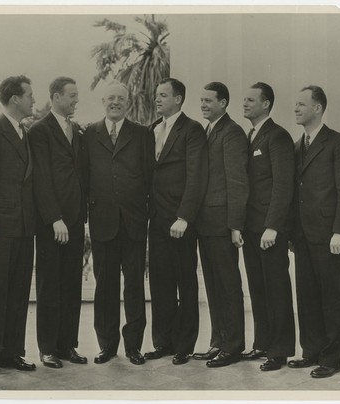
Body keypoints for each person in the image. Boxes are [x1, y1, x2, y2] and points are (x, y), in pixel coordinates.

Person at [289, 85, 340, 378]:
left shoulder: (338, 143)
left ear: (317, 108)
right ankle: (312, 351)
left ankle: (331, 358)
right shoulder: (297, 144)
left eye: (302, 104)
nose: (296, 109)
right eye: (296, 104)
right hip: (303, 236)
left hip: (329, 235)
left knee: (329, 296)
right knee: (306, 296)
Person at [83, 81, 154, 366]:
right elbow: (84, 176)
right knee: (105, 286)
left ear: (128, 102)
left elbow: (150, 176)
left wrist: (144, 212)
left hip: (134, 222)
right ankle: (107, 345)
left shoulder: (141, 134)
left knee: (134, 285)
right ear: (103, 101)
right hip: (102, 222)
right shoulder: (89, 133)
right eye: (110, 97)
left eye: (120, 98)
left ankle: (133, 346)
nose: (115, 102)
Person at [144, 78, 208, 365]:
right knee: (160, 283)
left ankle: (184, 345)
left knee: (185, 282)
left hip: (180, 221)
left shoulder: (192, 130)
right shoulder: (153, 128)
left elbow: (196, 176)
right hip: (156, 220)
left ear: (179, 99)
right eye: (157, 95)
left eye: (164, 95)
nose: (158, 99)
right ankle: (164, 342)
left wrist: (184, 216)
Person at [0, 75, 36, 378]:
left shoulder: (24, 132)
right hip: (0, 228)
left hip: (25, 227)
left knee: (19, 293)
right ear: (15, 98)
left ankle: (13, 353)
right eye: (29, 95)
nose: (33, 101)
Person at [28, 76, 87, 369]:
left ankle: (67, 345)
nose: (77, 100)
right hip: (53, 223)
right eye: (72, 95)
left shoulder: (76, 129)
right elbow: (41, 179)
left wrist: (80, 219)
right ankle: (48, 348)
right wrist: (55, 219)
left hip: (75, 221)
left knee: (71, 285)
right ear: (56, 96)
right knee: (50, 285)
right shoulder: (39, 131)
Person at [192, 82, 249, 368]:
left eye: (208, 101)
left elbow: (237, 182)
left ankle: (234, 346)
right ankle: (218, 341)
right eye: (201, 100)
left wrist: (235, 225)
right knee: (213, 285)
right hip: (206, 223)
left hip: (223, 223)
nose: (202, 105)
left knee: (227, 285)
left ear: (223, 103)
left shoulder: (233, 133)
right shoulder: (210, 130)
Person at [241, 82, 295, 371]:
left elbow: (283, 186)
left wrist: (273, 226)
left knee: (276, 289)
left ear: (266, 104)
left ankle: (280, 350)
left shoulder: (278, 137)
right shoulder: (251, 136)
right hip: (251, 228)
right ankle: (262, 344)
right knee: (258, 288)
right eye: (244, 100)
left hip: (269, 229)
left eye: (251, 100)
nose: (245, 104)